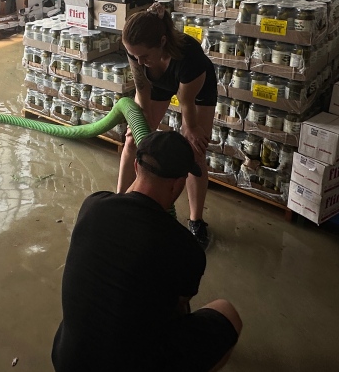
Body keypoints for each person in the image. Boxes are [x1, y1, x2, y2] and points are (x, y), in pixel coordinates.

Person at [52, 131, 241, 372]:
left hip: (68, 360)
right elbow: (179, 309)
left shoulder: (93, 205)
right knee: (227, 313)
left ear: (135, 166)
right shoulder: (185, 247)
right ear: (178, 183)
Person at [119, 2, 217, 248]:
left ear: (162, 42)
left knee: (195, 151)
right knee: (133, 139)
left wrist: (192, 130)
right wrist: (140, 119)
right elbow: (142, 88)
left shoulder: (188, 55)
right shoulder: (138, 54)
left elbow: (186, 105)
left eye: (144, 56)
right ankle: (118, 202)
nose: (139, 62)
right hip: (159, 82)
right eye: (134, 56)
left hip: (197, 90)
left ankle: (196, 220)